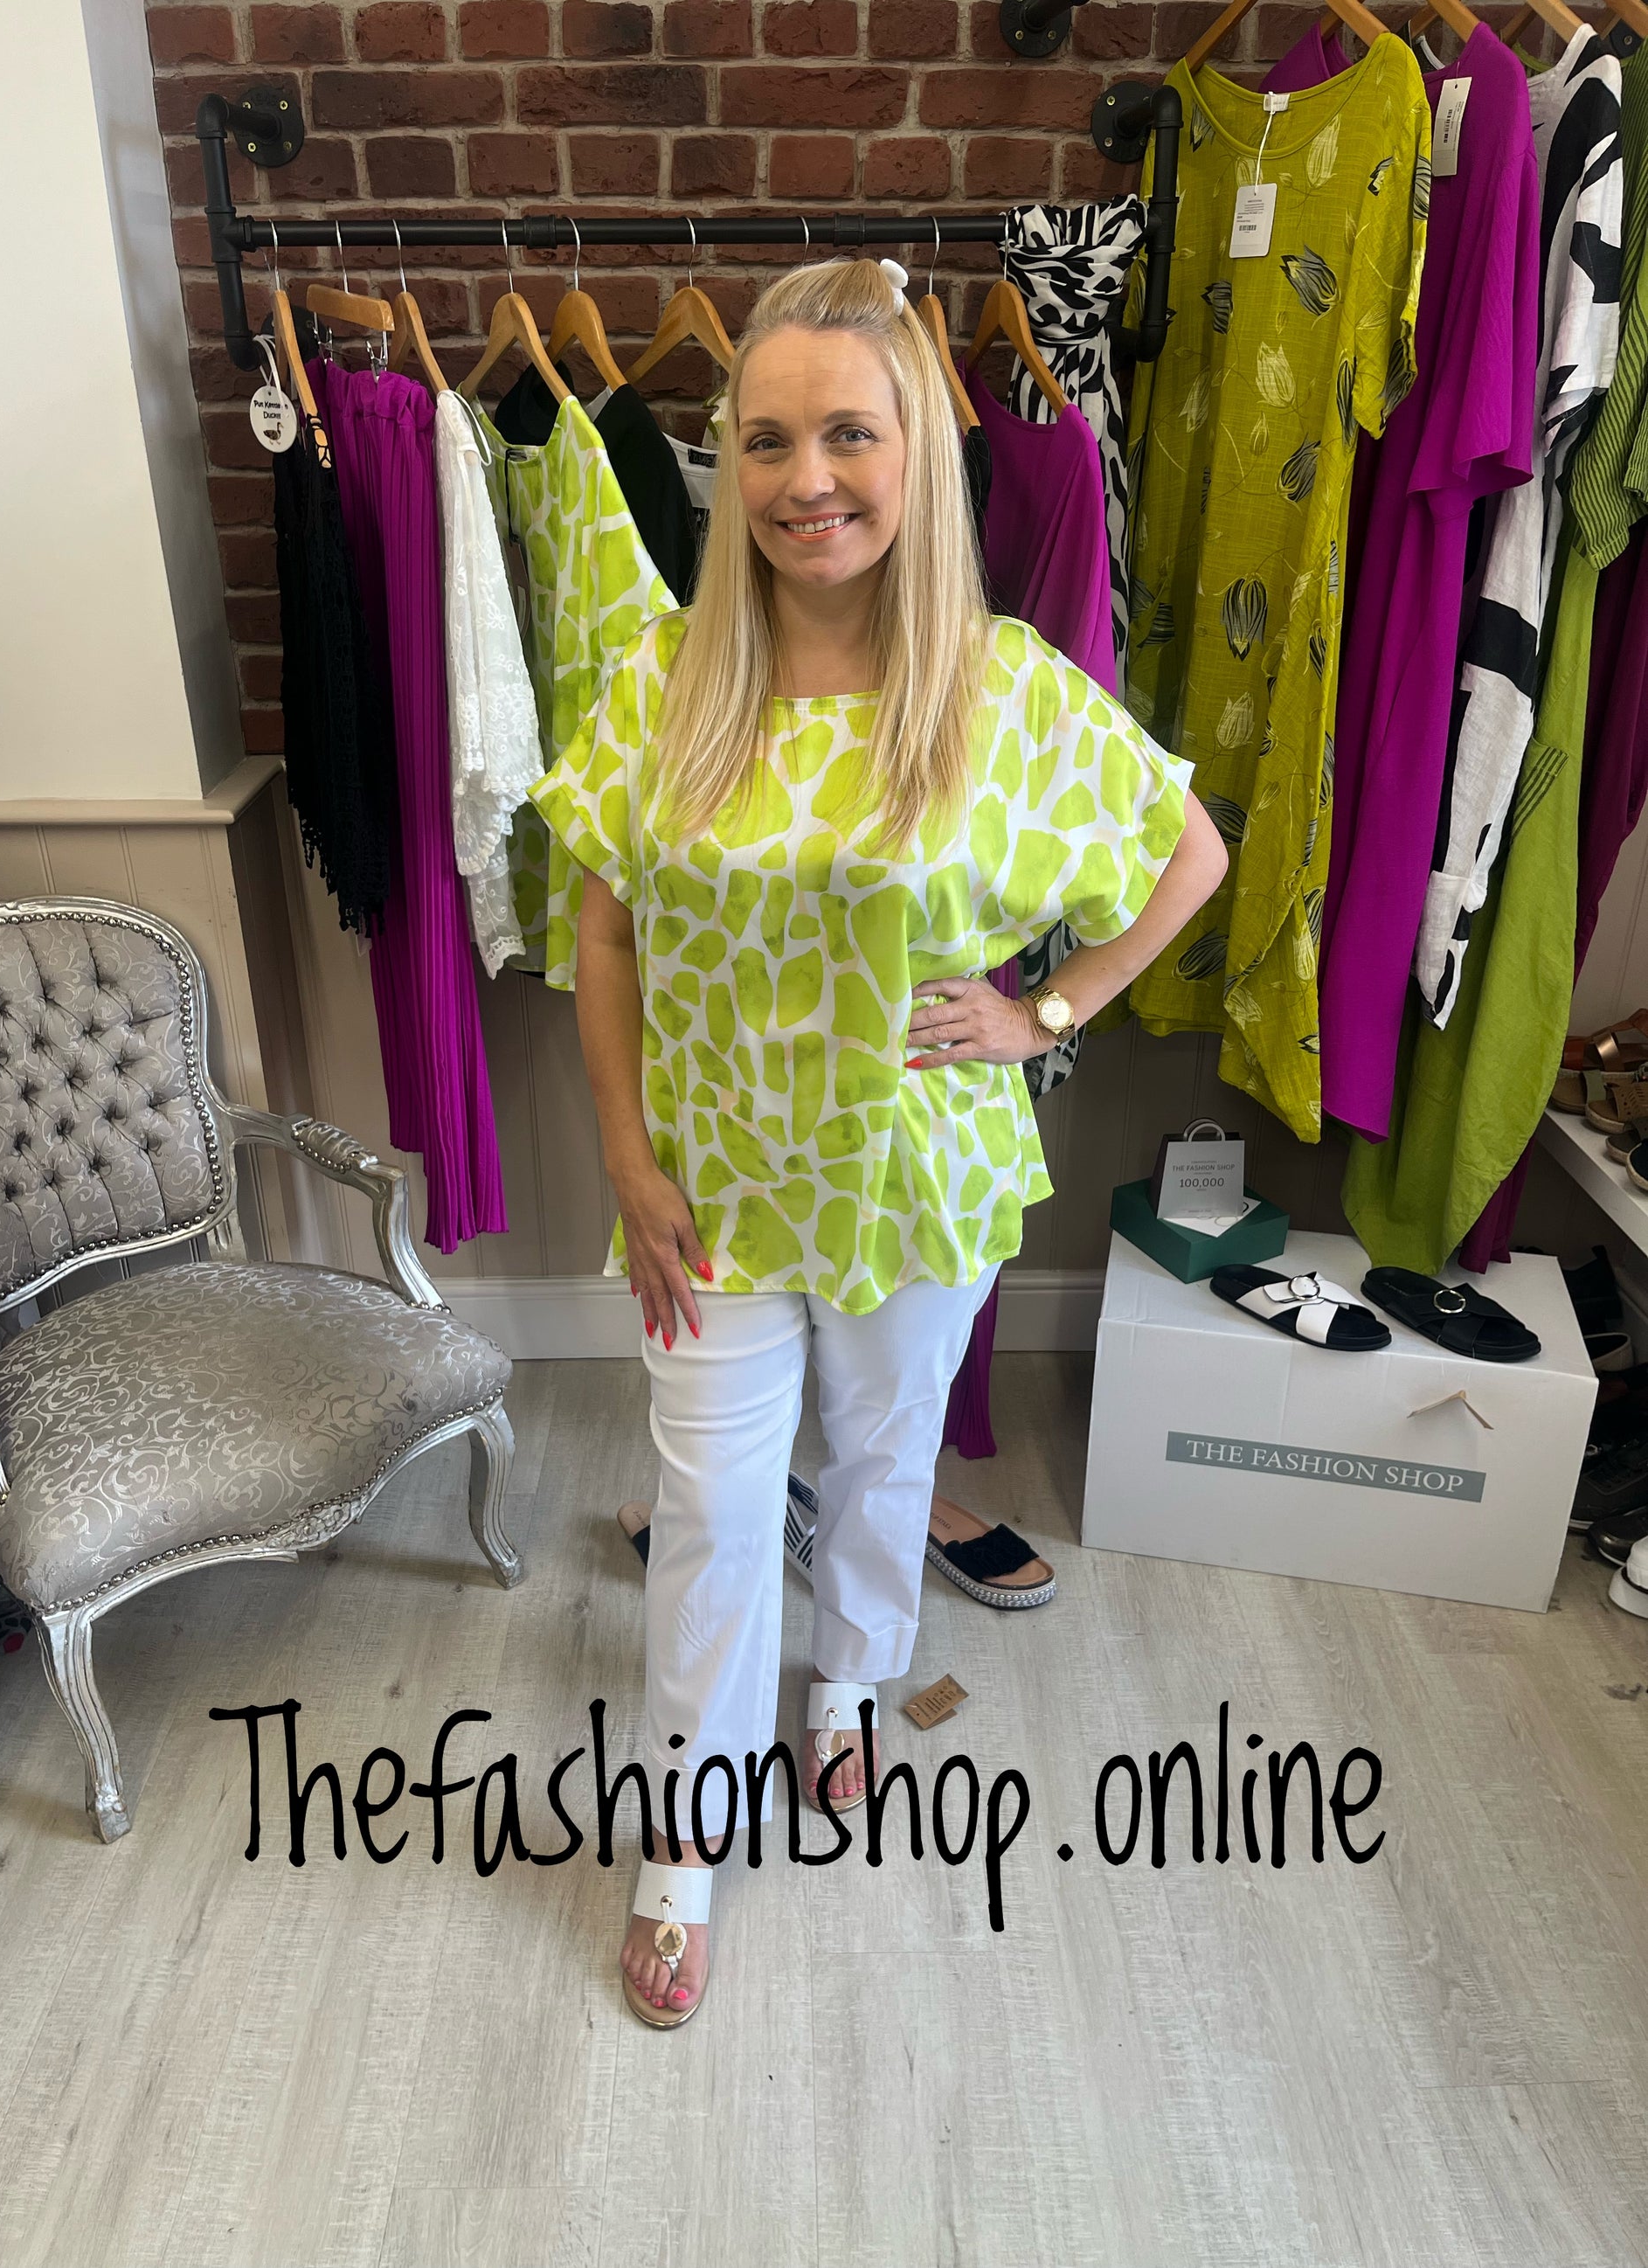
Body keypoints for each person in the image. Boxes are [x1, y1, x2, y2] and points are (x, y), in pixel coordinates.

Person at [530, 258, 1227, 2029]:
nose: (805, 479)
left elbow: (1188, 852)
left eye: (848, 432)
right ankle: (683, 1845)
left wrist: (1044, 1013)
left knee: (882, 1464)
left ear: (914, 450)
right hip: (708, 1186)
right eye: (766, 440)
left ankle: (844, 1688)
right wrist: (623, 1156)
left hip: (916, 1181)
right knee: (709, 1511)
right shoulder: (665, 677)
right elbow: (601, 933)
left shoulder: (999, 690)